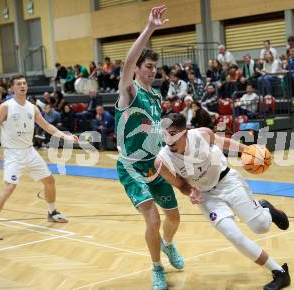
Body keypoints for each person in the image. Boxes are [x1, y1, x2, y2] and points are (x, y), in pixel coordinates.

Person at [155, 113, 291, 290]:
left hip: (228, 182)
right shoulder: (161, 161)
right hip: (207, 197)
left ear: (185, 132)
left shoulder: (202, 134)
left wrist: (249, 150)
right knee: (234, 236)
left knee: (261, 226)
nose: (168, 139)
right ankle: (279, 272)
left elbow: (224, 142)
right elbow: (180, 185)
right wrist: (190, 192)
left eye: (172, 133)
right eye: (165, 134)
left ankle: (267, 211)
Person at [115, 6, 184, 290]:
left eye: (155, 67)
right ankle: (157, 268)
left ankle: (168, 246)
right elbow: (127, 63)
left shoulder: (156, 96)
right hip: (131, 166)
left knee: (174, 217)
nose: (153, 71)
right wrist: (149, 29)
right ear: (138, 69)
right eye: (148, 66)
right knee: (153, 220)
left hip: (155, 164)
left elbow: (156, 130)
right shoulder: (129, 91)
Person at [0, 74, 79, 241]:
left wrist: (65, 137)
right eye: (18, 84)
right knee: (9, 188)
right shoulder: (6, 107)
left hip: (30, 151)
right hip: (13, 152)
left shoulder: (33, 108)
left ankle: (52, 212)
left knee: (49, 181)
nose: (22, 86)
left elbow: (46, 126)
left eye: (24, 83)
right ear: (12, 88)